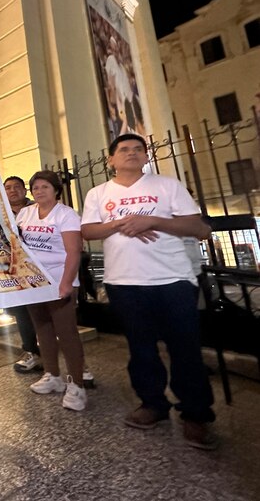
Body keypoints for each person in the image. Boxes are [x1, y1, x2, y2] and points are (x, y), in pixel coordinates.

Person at [81, 133, 216, 449]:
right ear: (110, 159)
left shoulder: (167, 186)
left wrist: (152, 221)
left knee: (185, 349)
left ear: (146, 157)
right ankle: (152, 404)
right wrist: (121, 224)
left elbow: (198, 229)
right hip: (124, 282)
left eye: (138, 149)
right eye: (123, 149)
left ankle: (196, 413)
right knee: (140, 348)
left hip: (172, 280)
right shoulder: (98, 193)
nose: (131, 153)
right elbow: (87, 231)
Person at [17, 171, 87, 411]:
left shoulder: (66, 214)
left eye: (45, 186)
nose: (39, 191)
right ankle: (53, 376)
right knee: (43, 330)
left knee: (66, 332)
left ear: (56, 190)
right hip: (34, 282)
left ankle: (77, 385)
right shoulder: (25, 213)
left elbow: (73, 251)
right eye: (35, 187)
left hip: (59, 280)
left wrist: (67, 283)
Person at [2, 176, 42, 374]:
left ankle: (51, 351)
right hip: (15, 271)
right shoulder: (0, 212)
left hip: (40, 268)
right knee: (22, 312)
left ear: (25, 190)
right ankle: (31, 351)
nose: (12, 191)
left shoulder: (38, 208)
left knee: (44, 311)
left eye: (17, 187)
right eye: (8, 188)